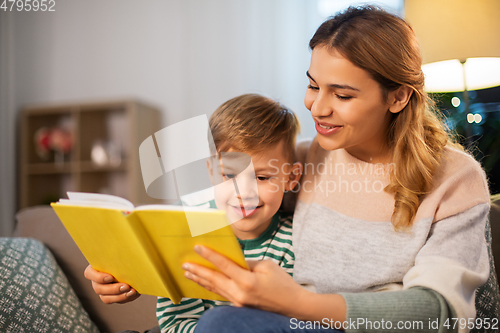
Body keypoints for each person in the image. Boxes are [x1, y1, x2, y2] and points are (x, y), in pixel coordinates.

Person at [179, 6, 490, 333]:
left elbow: (438, 312)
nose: (317, 107)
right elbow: (224, 201)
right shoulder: (303, 160)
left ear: (398, 97)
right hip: (292, 324)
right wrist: (136, 261)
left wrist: (296, 303)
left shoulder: (455, 179)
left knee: (222, 323)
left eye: (342, 95)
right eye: (313, 86)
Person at [85, 94, 303, 333]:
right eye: (229, 176)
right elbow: (175, 322)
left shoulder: (295, 240)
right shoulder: (186, 229)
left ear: (291, 178)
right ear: (211, 172)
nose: (244, 193)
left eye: (262, 177)